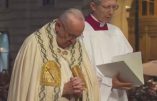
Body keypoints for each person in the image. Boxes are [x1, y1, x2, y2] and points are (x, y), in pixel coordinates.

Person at [7, 8, 100, 101]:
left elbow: (90, 87)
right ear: (58, 26)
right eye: (70, 35)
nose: (73, 41)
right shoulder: (35, 45)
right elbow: (28, 91)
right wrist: (63, 90)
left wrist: (79, 89)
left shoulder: (77, 47)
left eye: (77, 36)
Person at [82, 0, 133, 101]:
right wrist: (108, 83)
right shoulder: (80, 31)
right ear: (93, 6)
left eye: (114, 7)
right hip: (93, 94)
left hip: (118, 93)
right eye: (106, 7)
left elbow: (127, 62)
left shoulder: (116, 32)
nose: (111, 12)